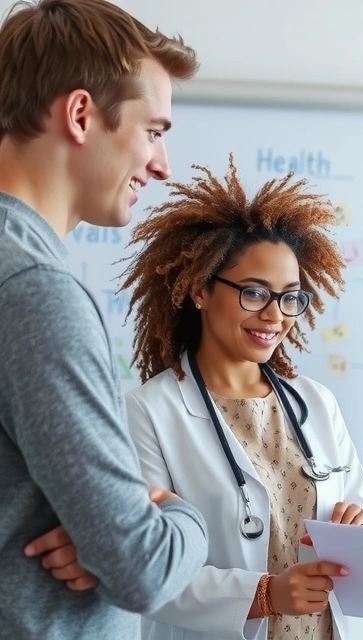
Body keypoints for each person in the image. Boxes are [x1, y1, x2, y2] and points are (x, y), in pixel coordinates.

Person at [0, 1, 208, 637]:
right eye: (153, 131)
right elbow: (141, 566)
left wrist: (107, 532)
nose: (163, 164)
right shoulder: (35, 290)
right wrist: (180, 515)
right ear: (82, 114)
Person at [117, 158, 363, 640]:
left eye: (290, 297)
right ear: (201, 289)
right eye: (254, 293)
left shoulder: (314, 403)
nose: (276, 315)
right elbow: (148, 562)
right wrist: (265, 595)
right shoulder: (150, 411)